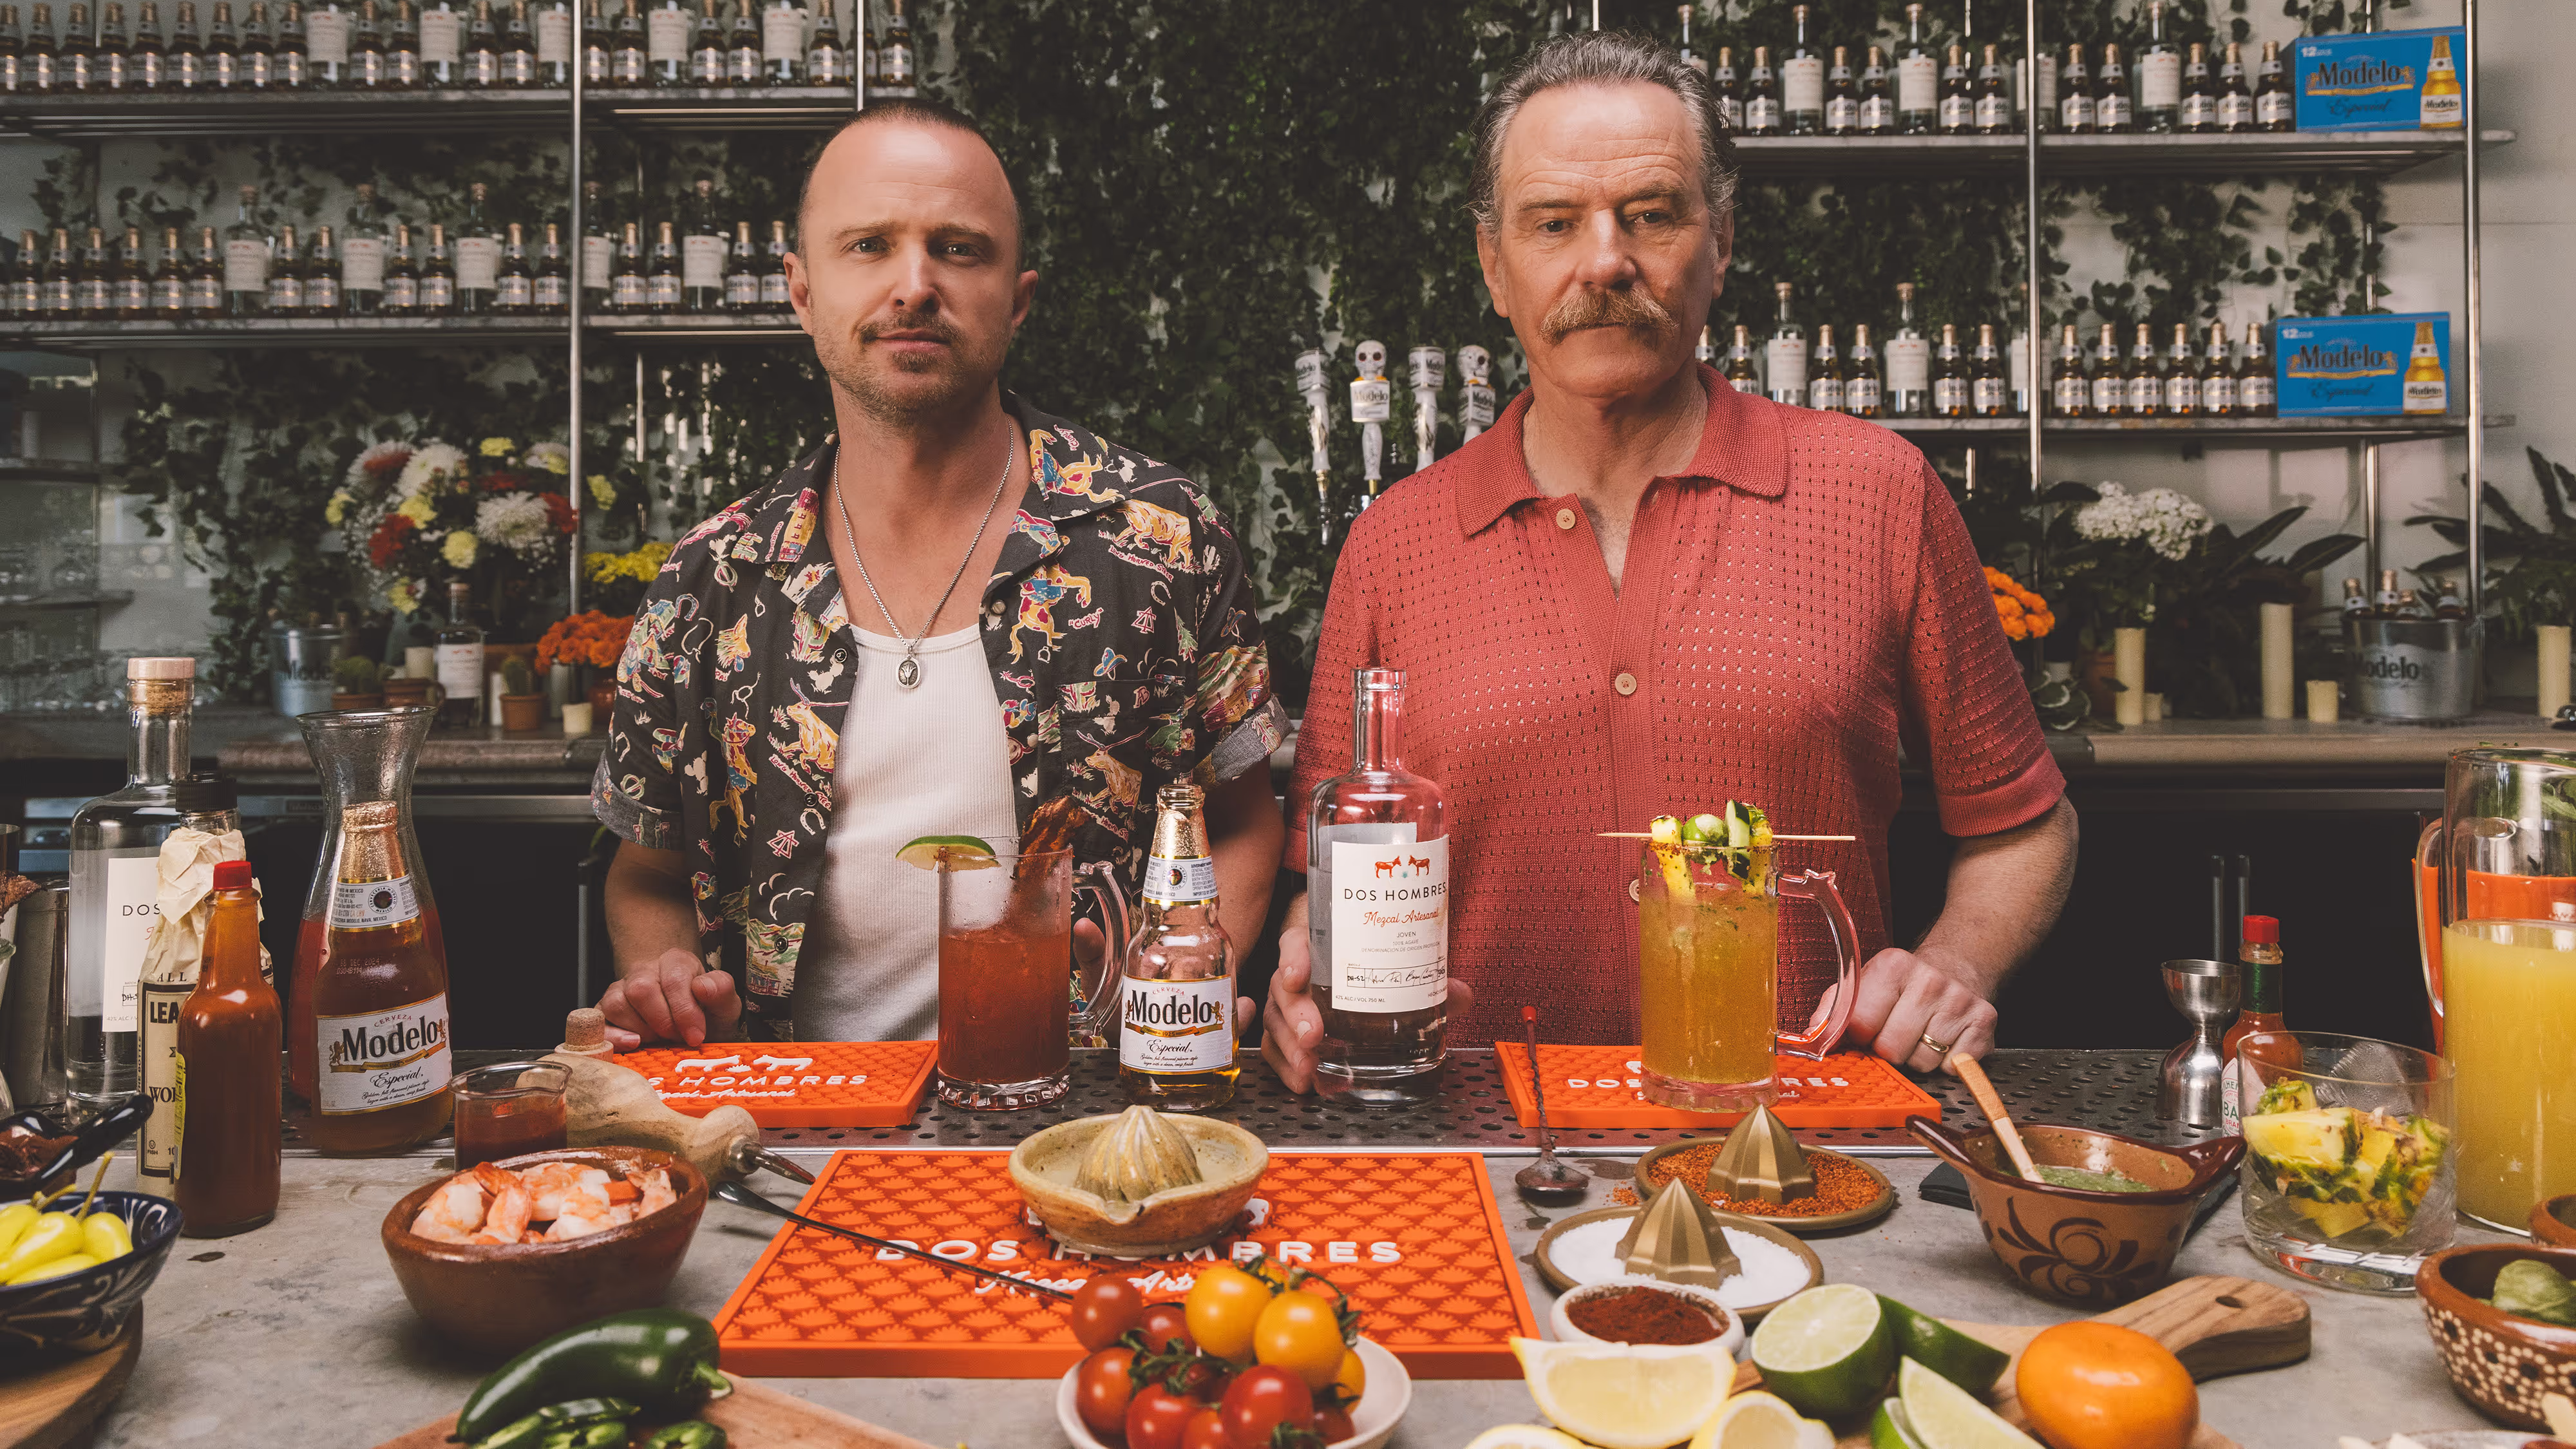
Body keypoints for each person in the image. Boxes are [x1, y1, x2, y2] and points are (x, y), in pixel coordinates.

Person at [1263, 33, 2076, 1090]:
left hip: (1796, 1146)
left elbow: (2026, 824)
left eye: (1650, 214)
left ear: (1722, 243)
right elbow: (1322, 883)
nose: (1604, 260)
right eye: (1554, 223)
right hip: (1487, 1137)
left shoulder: (1876, 494)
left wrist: (1953, 962)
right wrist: (1300, 970)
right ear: (1493, 267)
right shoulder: (1396, 543)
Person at [591, 100, 1286, 1048]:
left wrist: (1173, 998)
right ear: (801, 290)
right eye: (869, 244)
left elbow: (1245, 821)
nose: (915, 284)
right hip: (794, 1137)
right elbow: (648, 873)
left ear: (1020, 296)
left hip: (1085, 1128)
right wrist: (665, 978)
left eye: (959, 249)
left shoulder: (1159, 539)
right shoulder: (710, 581)